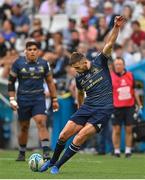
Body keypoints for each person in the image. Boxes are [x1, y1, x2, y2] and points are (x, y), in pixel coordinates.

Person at [40, 16, 125, 174]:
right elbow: (80, 92)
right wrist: (79, 107)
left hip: (103, 109)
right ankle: (52, 161)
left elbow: (109, 43)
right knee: (63, 134)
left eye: (77, 68)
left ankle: (58, 166)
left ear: (84, 61)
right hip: (87, 107)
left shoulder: (100, 61)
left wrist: (116, 27)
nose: (76, 71)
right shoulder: (79, 77)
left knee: (80, 137)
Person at [8, 40, 59, 161]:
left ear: (38, 51)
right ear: (25, 51)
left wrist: (54, 99)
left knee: (41, 122)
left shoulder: (44, 63)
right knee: (24, 127)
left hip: (38, 98)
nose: (32, 52)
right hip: (23, 99)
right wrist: (11, 99)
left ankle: (46, 153)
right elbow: (11, 82)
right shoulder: (18, 63)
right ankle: (22, 153)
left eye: (34, 49)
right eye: (30, 49)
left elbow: (50, 82)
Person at [111, 57, 143, 157]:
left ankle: (128, 151)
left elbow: (134, 91)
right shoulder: (111, 76)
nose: (118, 66)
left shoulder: (130, 75)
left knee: (129, 129)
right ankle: (116, 151)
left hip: (129, 106)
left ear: (124, 65)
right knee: (116, 129)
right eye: (116, 64)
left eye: (120, 64)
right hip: (116, 107)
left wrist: (139, 105)